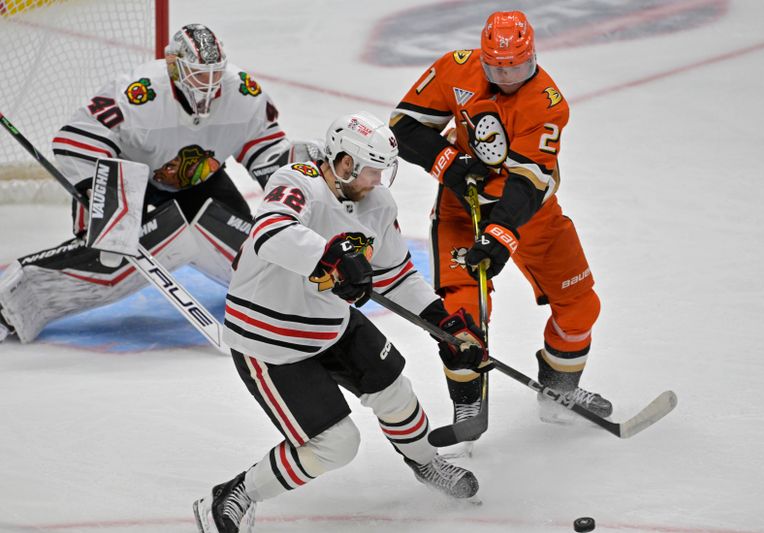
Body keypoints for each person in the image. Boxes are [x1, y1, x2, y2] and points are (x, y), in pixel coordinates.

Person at [192, 111, 491, 533]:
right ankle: (236, 491)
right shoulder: (297, 181)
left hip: (331, 321)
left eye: (383, 171)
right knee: (337, 445)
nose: (377, 181)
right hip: (271, 338)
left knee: (395, 392)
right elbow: (270, 233)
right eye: (371, 171)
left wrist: (445, 324)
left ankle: (426, 463)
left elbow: (397, 276)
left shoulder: (378, 204)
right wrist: (329, 254)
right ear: (345, 162)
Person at [0, 24, 317, 344]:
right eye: (197, 73)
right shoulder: (139, 94)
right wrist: (103, 194)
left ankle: (293, 296)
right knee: (107, 256)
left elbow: (265, 149)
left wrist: (292, 185)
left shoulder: (243, 93)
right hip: (128, 179)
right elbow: (76, 139)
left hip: (201, 182)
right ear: (173, 65)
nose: (208, 84)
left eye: (214, 73)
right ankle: (9, 304)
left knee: (251, 254)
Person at [389, 11, 612, 427]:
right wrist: (448, 164)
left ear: (534, 57)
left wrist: (499, 234)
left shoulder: (547, 102)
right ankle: (467, 403)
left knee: (581, 306)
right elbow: (403, 126)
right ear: (482, 57)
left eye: (519, 69)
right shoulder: (453, 68)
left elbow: (526, 184)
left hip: (530, 212)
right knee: (463, 319)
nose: (508, 79)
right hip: (460, 208)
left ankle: (560, 391)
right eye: (496, 69)